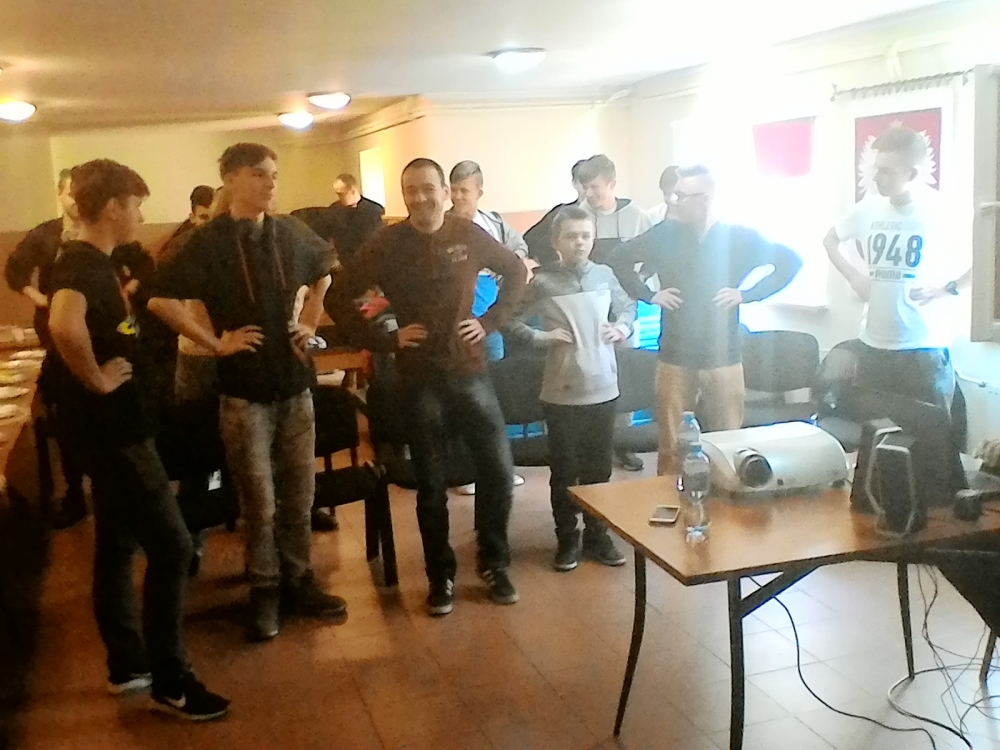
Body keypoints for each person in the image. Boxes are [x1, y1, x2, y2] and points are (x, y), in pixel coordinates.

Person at [46, 159, 229, 720]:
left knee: (117, 542)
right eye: (137, 205)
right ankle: (172, 681)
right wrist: (98, 379)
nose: (142, 216)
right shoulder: (81, 262)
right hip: (115, 433)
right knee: (173, 547)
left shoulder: (96, 262)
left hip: (113, 428)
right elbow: (63, 325)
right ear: (112, 208)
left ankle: (127, 664)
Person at [147, 143, 347, 642]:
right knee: (258, 501)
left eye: (273, 174)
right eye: (258, 174)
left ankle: (298, 579)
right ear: (230, 180)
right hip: (242, 391)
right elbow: (158, 298)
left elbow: (325, 271)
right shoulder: (207, 241)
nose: (270, 183)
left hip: (295, 384)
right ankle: (265, 590)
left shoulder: (290, 232)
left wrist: (308, 320)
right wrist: (215, 343)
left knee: (299, 494)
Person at [326, 158, 527, 617]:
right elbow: (341, 295)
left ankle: (494, 562)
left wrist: (490, 322)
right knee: (431, 486)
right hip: (418, 379)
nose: (419, 198)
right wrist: (385, 337)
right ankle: (441, 575)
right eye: (410, 190)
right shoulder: (387, 242)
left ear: (445, 191)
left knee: (498, 470)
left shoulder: (467, 232)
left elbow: (516, 272)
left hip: (470, 371)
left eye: (427, 188)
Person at [609, 164, 803, 475]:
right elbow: (618, 258)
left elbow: (790, 261)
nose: (673, 201)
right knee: (671, 447)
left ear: (705, 199)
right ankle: (669, 497)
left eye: (681, 196)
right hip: (674, 356)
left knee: (728, 444)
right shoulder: (665, 234)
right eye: (674, 194)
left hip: (723, 357)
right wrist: (648, 294)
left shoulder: (739, 238)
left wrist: (747, 294)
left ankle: (724, 499)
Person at [508, 206, 636, 571]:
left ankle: (597, 535)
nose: (579, 243)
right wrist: (541, 337)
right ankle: (567, 538)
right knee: (564, 470)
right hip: (561, 392)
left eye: (585, 236)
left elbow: (628, 308)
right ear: (556, 242)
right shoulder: (543, 281)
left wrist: (622, 328)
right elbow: (508, 319)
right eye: (571, 236)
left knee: (599, 469)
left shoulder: (605, 275)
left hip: (604, 387)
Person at [823, 125, 970, 411]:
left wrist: (950, 288)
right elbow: (830, 240)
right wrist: (853, 275)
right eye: (877, 169)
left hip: (923, 349)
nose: (877, 177)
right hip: (874, 346)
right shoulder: (868, 208)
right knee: (876, 431)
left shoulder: (941, 211)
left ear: (911, 175)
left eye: (887, 171)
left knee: (927, 433)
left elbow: (990, 253)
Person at [4, 168, 87, 529]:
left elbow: (140, 267)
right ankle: (74, 494)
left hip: (94, 330)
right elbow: (15, 271)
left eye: (81, 193)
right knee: (66, 416)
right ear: (60, 195)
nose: (76, 201)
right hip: (54, 334)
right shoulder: (44, 234)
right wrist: (41, 300)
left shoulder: (98, 228)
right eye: (70, 193)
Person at [577, 154, 653, 472]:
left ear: (611, 184)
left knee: (624, 378)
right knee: (589, 378)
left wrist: (639, 284)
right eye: (585, 187)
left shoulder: (637, 217)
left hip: (624, 310)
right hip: (587, 310)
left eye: (595, 187)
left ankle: (622, 444)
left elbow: (653, 257)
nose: (590, 193)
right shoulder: (579, 215)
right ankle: (590, 447)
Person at [523, 159, 588, 266]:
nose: (588, 186)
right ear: (575, 183)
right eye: (584, 181)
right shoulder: (561, 212)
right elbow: (529, 240)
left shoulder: (611, 215)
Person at [327, 173, 385, 262]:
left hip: (367, 260)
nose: (340, 197)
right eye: (337, 194)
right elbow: (330, 236)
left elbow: (378, 240)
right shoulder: (334, 210)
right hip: (343, 261)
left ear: (353, 190)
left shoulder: (374, 210)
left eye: (342, 194)